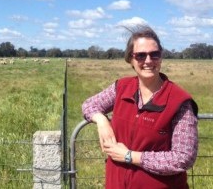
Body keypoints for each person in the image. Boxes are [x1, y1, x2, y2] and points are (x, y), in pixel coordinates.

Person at [82, 25, 198, 189]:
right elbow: (89, 105)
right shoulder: (121, 87)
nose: (148, 61)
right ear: (130, 59)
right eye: (141, 55)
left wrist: (129, 156)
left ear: (161, 57)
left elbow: (183, 158)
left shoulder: (179, 101)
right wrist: (101, 121)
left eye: (154, 54)